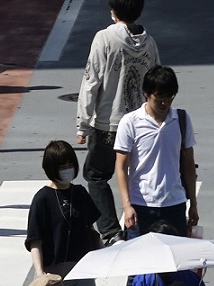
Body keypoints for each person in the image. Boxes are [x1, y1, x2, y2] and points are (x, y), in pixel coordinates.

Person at [73, 0, 157, 241]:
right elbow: (156, 78)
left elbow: (91, 82)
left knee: (97, 175)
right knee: (137, 174)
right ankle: (142, 224)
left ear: (113, 11)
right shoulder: (149, 42)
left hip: (109, 123)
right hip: (140, 120)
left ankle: (110, 230)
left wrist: (83, 123)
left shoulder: (104, 38)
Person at [112, 63, 196, 242]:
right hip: (141, 206)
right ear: (146, 94)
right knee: (140, 264)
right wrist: (127, 206)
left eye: (169, 97)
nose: (165, 103)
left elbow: (189, 164)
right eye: (159, 97)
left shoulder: (181, 119)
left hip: (175, 205)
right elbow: (120, 167)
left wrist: (193, 205)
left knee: (176, 263)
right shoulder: (130, 122)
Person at [26, 140, 102, 286]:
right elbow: (35, 241)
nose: (68, 170)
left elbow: (91, 228)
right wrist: (41, 274)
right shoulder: (42, 199)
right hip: (52, 272)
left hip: (82, 268)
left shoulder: (80, 193)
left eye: (70, 165)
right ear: (51, 169)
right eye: (62, 167)